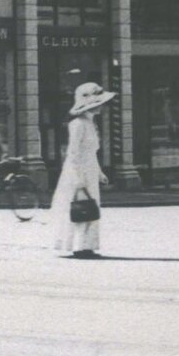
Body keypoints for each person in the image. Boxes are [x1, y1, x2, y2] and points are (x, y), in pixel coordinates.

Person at [52, 82, 113, 258]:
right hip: (77, 171)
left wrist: (100, 172)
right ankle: (78, 246)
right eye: (99, 103)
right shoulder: (78, 124)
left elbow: (91, 152)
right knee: (81, 208)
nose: (102, 107)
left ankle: (87, 245)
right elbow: (73, 152)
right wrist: (77, 178)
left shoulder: (91, 124)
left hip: (90, 170)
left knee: (90, 208)